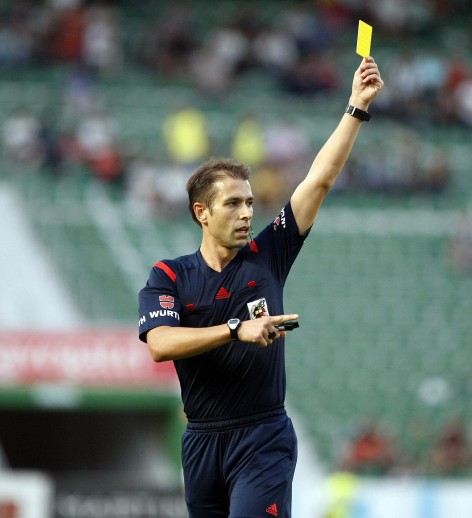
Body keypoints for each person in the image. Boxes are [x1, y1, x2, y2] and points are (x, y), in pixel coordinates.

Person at [138, 56, 383, 517]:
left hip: (262, 436)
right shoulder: (169, 276)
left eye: (250, 203)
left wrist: (356, 107)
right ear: (201, 213)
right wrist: (236, 329)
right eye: (233, 203)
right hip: (201, 442)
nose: (248, 213)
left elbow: (319, 180)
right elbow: (160, 344)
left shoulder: (269, 254)